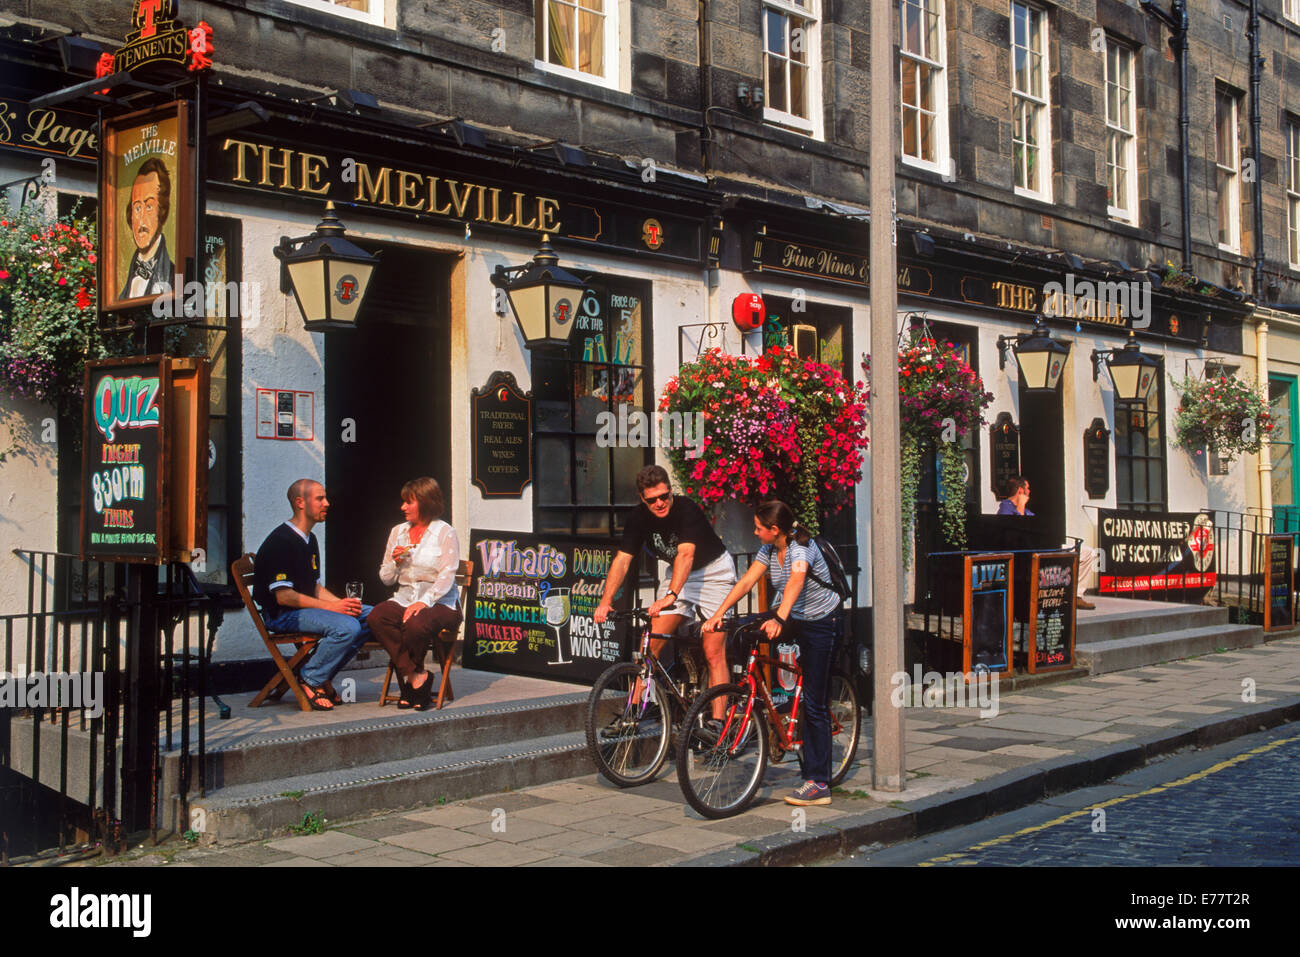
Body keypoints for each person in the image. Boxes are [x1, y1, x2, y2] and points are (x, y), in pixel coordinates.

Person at [704, 501, 843, 807]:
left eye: (758, 528)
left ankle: (819, 783)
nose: (754, 532)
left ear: (775, 530)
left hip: (822, 621)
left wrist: (780, 618)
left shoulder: (800, 548)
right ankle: (754, 692)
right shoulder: (768, 550)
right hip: (794, 614)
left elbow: (795, 581)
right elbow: (746, 581)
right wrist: (719, 614)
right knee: (742, 627)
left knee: (815, 702)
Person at [593, 464, 736, 717]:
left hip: (713, 573)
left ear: (671, 491)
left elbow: (686, 554)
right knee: (652, 641)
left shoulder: (686, 508)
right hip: (680, 577)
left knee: (714, 651)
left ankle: (717, 721)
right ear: (642, 499)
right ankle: (634, 710)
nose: (660, 503)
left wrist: (670, 595)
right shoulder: (637, 518)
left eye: (664, 496)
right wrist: (605, 601)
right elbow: (622, 560)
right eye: (652, 500)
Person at [253, 479, 373, 711]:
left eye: (325, 498)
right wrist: (333, 609)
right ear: (300, 503)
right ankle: (312, 677)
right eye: (320, 498)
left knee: (370, 616)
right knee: (347, 627)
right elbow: (284, 597)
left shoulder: (310, 539)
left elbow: (315, 587)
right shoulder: (281, 541)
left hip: (302, 609)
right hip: (283, 614)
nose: (327, 503)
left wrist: (342, 604)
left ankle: (322, 673)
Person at [367, 477, 461, 711]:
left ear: (426, 502)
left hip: (442, 602)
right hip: (405, 596)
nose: (402, 507)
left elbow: (447, 575)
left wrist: (424, 601)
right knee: (377, 617)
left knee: (416, 623)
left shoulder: (445, 532)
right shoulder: (397, 532)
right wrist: (396, 563)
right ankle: (417, 677)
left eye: (408, 502)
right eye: (403, 502)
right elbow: (386, 578)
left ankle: (410, 686)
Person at [996, 476, 1098, 610]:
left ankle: (1076, 596)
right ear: (1020, 490)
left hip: (1043, 546)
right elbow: (1020, 532)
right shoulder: (1005, 508)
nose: (1030, 491)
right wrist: (1020, 506)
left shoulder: (1025, 510)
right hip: (1026, 554)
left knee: (1087, 553)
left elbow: (1036, 526)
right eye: (1027, 488)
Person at [118, 157, 173, 301]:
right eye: (137, 207)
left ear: (162, 211)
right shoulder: (123, 281)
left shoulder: (175, 278)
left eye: (149, 206)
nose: (141, 219)